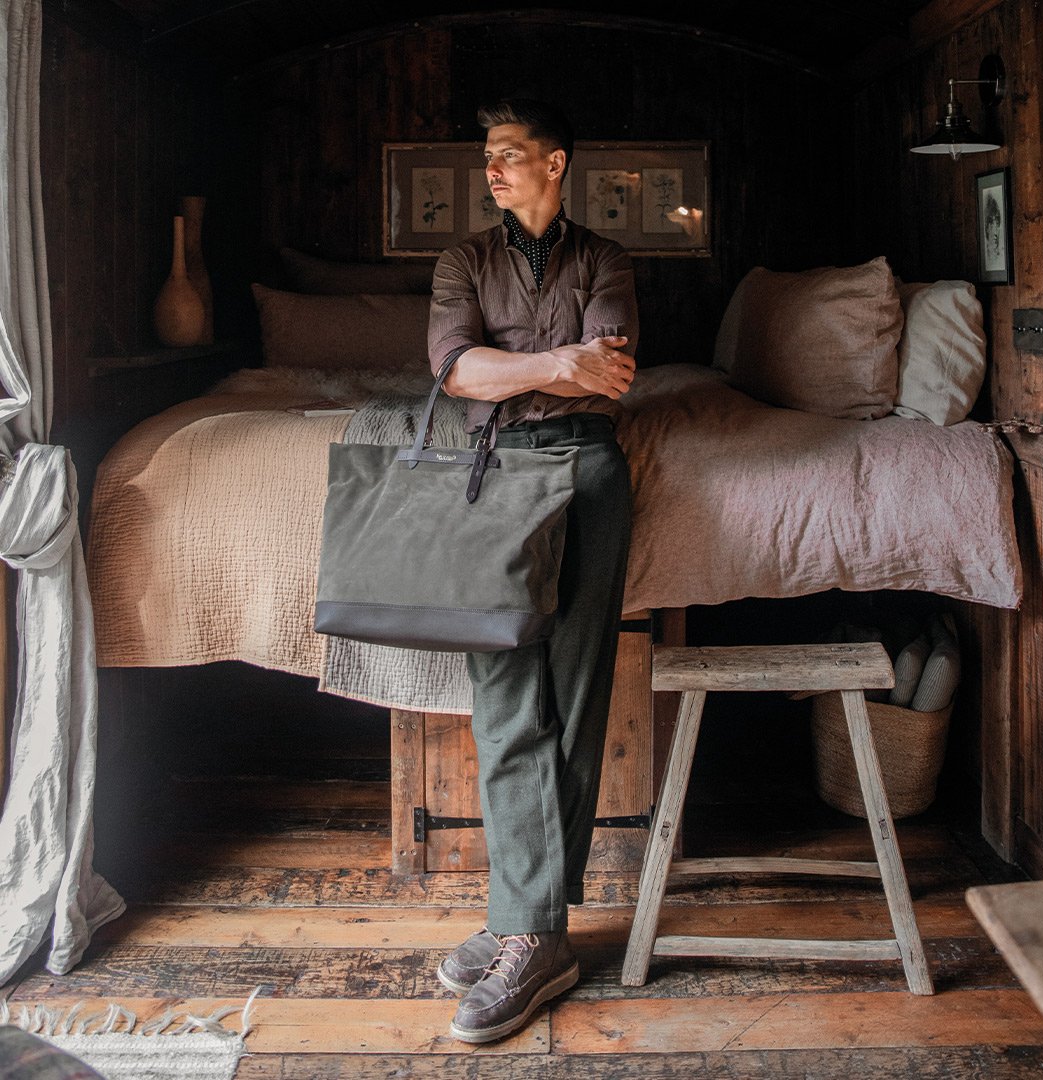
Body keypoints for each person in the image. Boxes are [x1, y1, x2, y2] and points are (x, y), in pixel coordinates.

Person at [426, 97, 639, 1044]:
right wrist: (557, 361)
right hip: (494, 475)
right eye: (487, 158)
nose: (493, 171)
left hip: (589, 471)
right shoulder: (463, 260)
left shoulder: (605, 258)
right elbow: (458, 374)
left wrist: (518, 365)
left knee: (575, 695)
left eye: (509, 156)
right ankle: (530, 923)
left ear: (557, 163)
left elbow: (616, 375)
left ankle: (529, 930)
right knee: (506, 699)